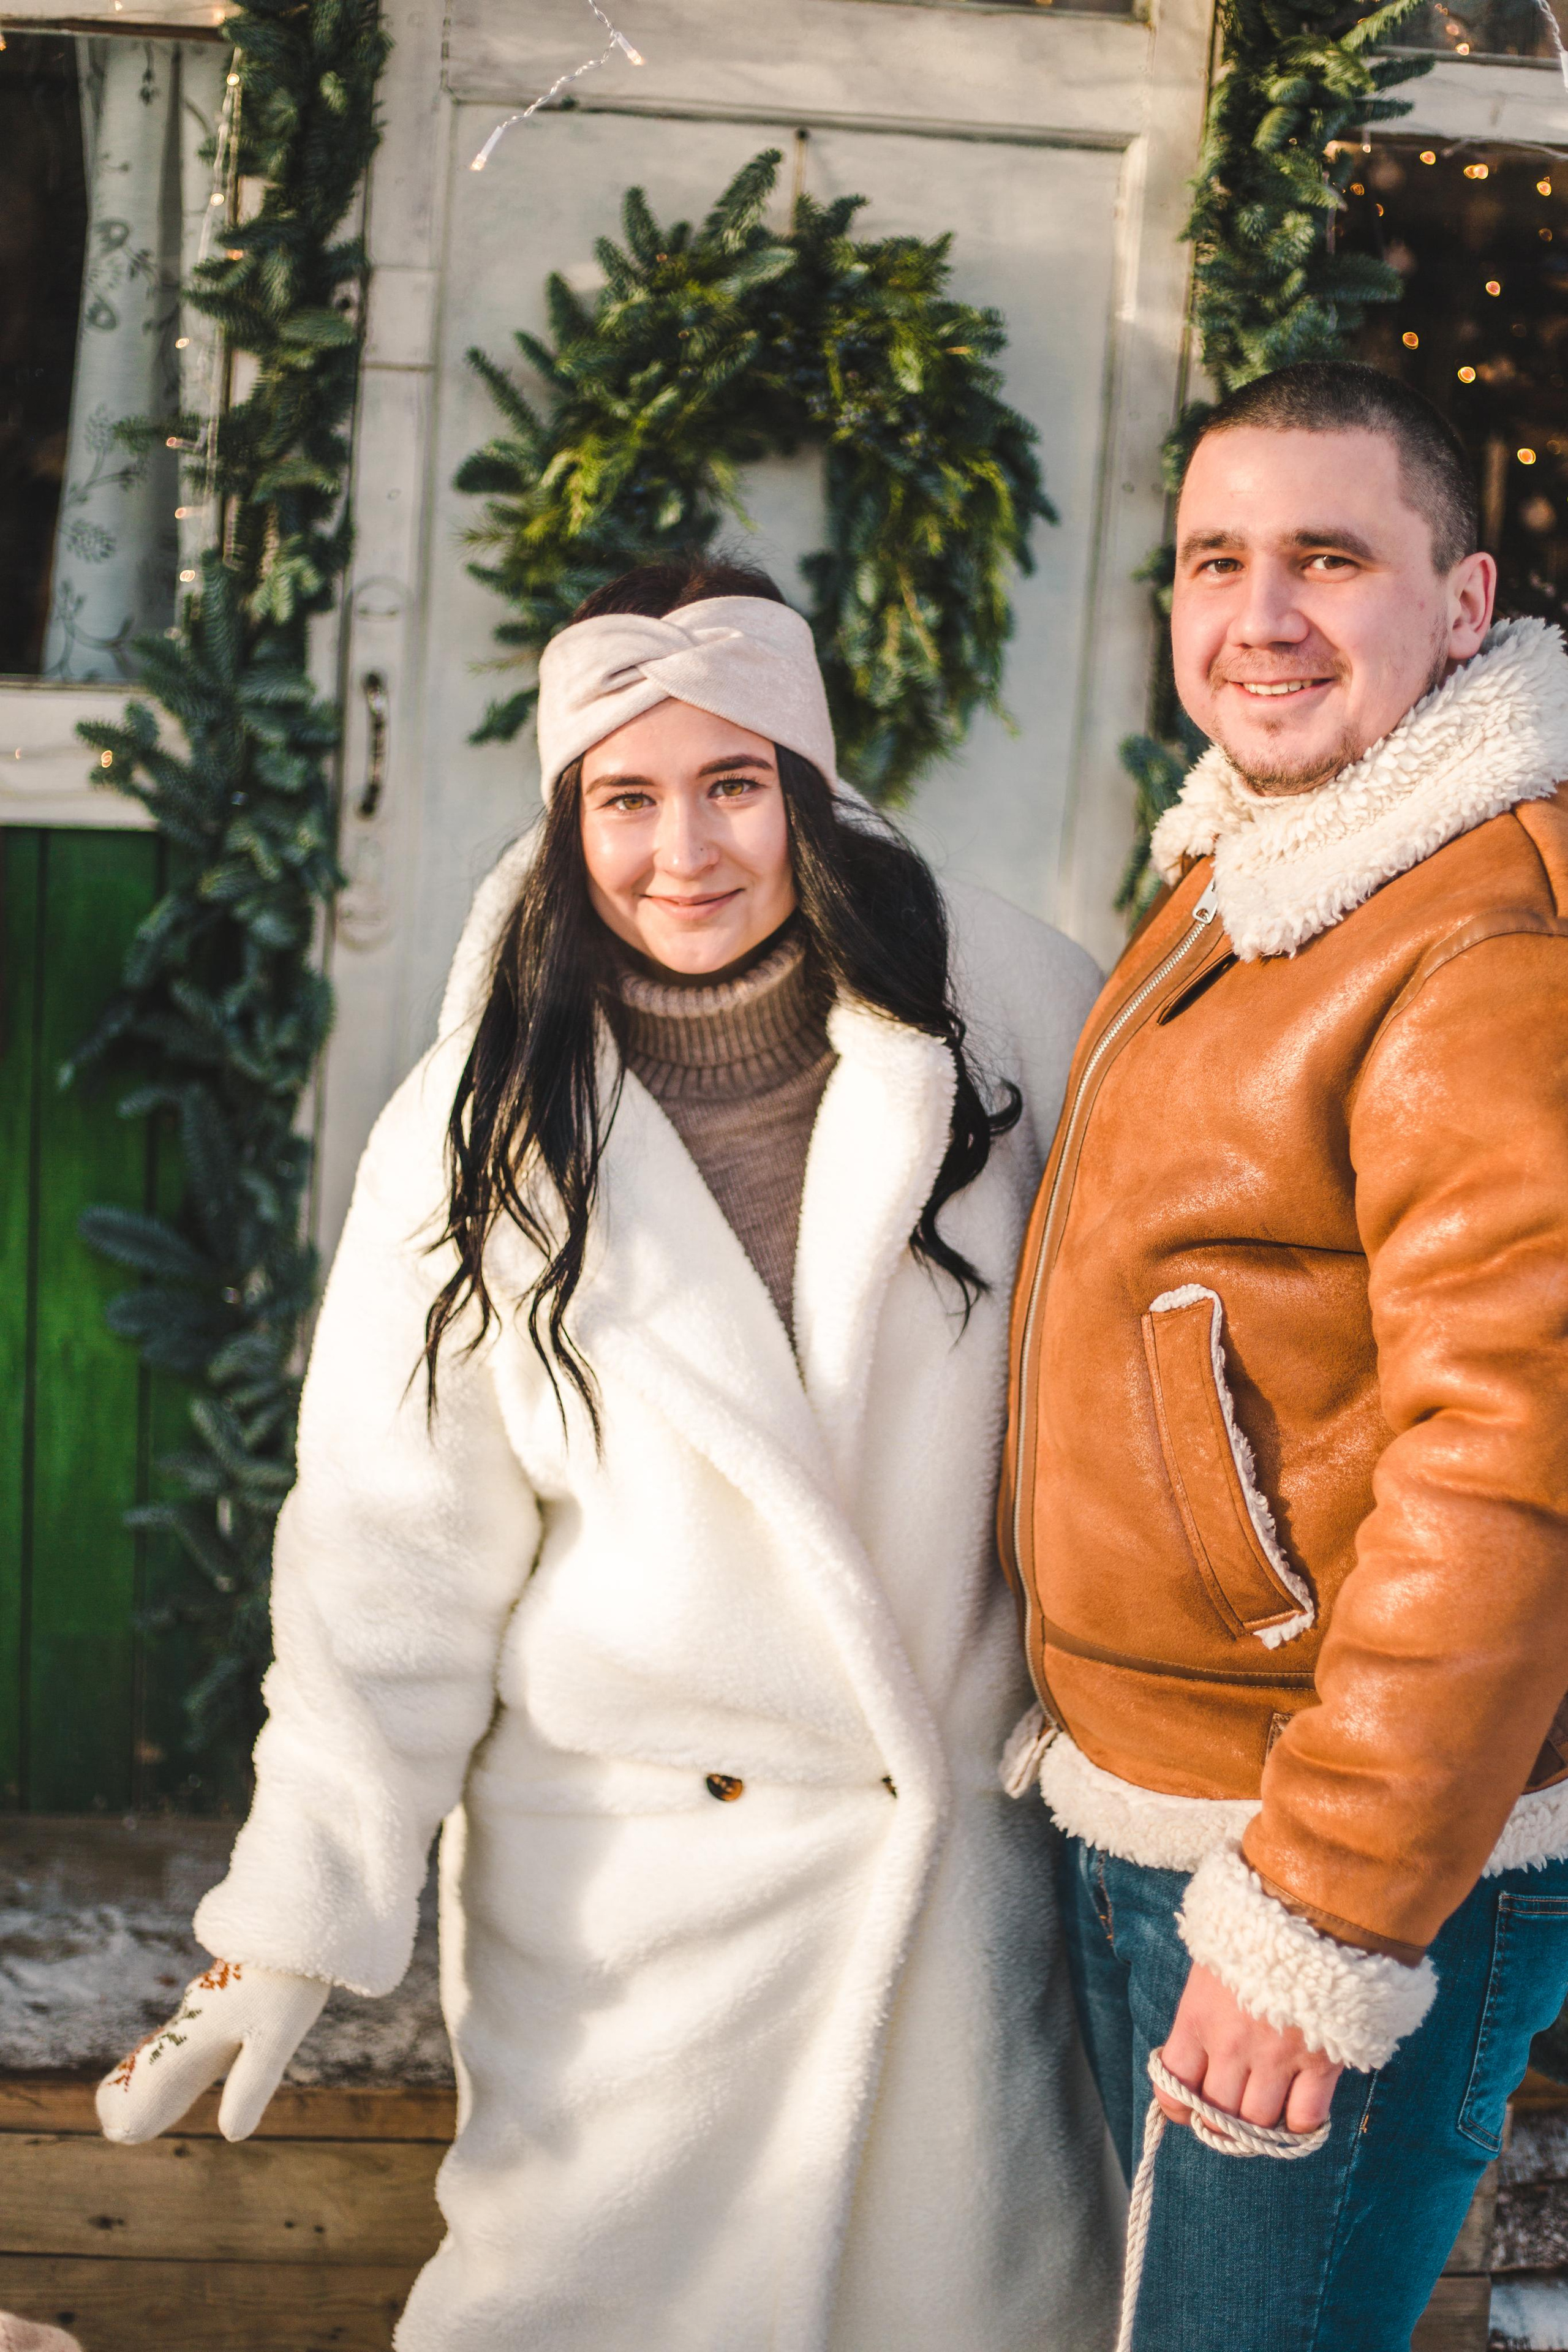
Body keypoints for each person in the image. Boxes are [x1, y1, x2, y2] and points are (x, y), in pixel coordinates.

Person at [95, 559, 1120, 2351]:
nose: (686, 852)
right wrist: (290, 1920)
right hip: (636, 1930)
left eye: (735, 786)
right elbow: (390, 1555)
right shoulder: (479, 1121)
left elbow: (1149, 1391)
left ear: (807, 788)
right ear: (569, 822)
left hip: (961, 1912)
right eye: (626, 801)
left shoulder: (1010, 1019)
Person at [999, 358, 1568, 2351]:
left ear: (1469, 600)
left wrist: (1318, 1918)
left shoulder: (1479, 939)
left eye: (1331, 557)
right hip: (1171, 1802)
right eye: (1217, 560)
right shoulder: (1263, 864)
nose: (1261, 616)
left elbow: (1514, 1469)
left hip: (1323, 1858)